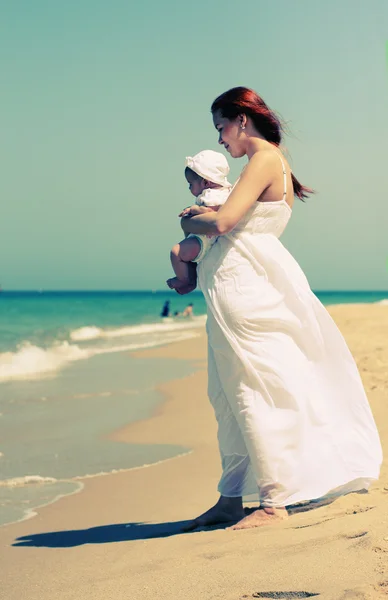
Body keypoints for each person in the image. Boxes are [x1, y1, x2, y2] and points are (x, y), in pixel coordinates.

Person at [178, 86, 382, 531]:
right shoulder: (268, 162)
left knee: (251, 389)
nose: (220, 140)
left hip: (246, 288)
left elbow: (224, 221)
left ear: (242, 120)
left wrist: (188, 219)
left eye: (221, 127)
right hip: (238, 286)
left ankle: (273, 501)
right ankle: (231, 498)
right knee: (228, 394)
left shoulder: (264, 159)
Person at [167, 150, 232, 294]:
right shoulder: (225, 192)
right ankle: (189, 281)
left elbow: (212, 214)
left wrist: (194, 209)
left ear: (205, 182)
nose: (189, 187)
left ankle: (185, 280)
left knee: (176, 252)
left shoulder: (212, 195)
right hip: (207, 239)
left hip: (204, 238)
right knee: (186, 258)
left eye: (190, 183)